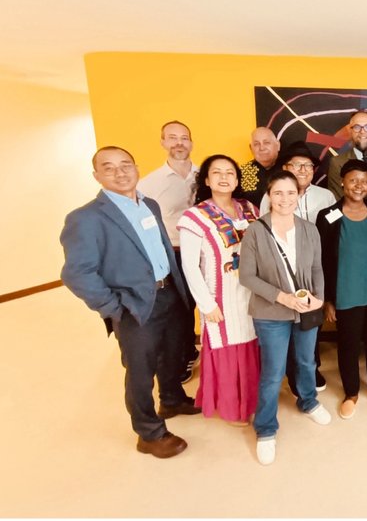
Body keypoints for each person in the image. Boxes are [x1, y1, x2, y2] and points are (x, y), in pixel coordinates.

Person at [60, 146, 199, 459]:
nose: (120, 173)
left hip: (170, 293)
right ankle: (149, 433)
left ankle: (172, 398)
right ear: (97, 176)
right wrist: (113, 308)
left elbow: (161, 248)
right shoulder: (86, 218)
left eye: (125, 165)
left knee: (174, 353)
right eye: (109, 168)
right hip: (133, 304)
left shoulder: (148, 203)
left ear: (136, 168)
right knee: (140, 368)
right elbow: (76, 273)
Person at [239, 171, 331, 466]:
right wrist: (282, 298)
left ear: (298, 195)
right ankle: (265, 429)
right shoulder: (256, 230)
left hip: (306, 309)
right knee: (273, 372)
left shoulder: (309, 229)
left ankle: (308, 400)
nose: (285, 199)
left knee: (307, 361)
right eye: (278, 193)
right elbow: (247, 276)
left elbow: (317, 267)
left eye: (291, 193)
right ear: (269, 196)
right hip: (270, 312)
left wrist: (319, 297)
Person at [177, 155, 261, 425]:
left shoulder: (249, 208)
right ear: (206, 179)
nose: (224, 178)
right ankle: (231, 406)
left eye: (230, 173)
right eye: (217, 173)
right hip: (219, 296)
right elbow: (189, 266)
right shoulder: (195, 217)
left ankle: (252, 400)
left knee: (250, 345)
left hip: (250, 292)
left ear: (237, 180)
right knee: (228, 349)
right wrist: (206, 304)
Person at [316, 159, 367, 419]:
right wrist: (328, 299)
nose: (358, 186)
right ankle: (351, 392)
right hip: (346, 294)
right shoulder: (329, 216)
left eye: (364, 181)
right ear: (342, 182)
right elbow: (323, 260)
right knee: (349, 345)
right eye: (353, 180)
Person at [259, 140, 335, 393]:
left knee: (312, 320)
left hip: (315, 267)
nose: (303, 170)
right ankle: (292, 373)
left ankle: (311, 368)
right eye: (297, 165)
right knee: (287, 321)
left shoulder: (326, 196)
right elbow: (262, 232)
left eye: (308, 165)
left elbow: (334, 232)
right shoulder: (270, 197)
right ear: (287, 167)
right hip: (281, 271)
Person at [138, 120, 200, 383]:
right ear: (163, 142)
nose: (178, 143)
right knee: (178, 308)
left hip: (204, 251)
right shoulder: (149, 183)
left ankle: (192, 349)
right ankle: (182, 356)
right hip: (173, 252)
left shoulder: (205, 175)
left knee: (200, 302)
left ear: (191, 143)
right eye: (172, 138)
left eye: (184, 138)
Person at [240, 127, 281, 206]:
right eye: (256, 144)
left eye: (266, 143)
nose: (262, 148)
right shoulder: (241, 173)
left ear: (278, 145)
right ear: (251, 148)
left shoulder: (289, 169)